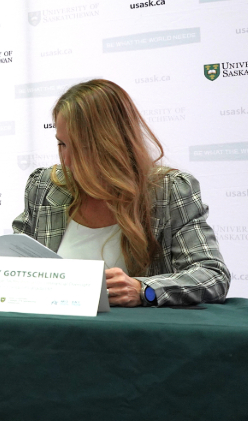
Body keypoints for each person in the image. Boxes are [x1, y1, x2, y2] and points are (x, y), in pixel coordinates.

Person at [13, 79, 229, 306]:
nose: (66, 160)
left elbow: (212, 275)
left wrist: (143, 290)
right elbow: (11, 265)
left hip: (133, 337)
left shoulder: (169, 191)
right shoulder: (44, 186)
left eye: (81, 147)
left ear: (113, 143)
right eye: (62, 144)